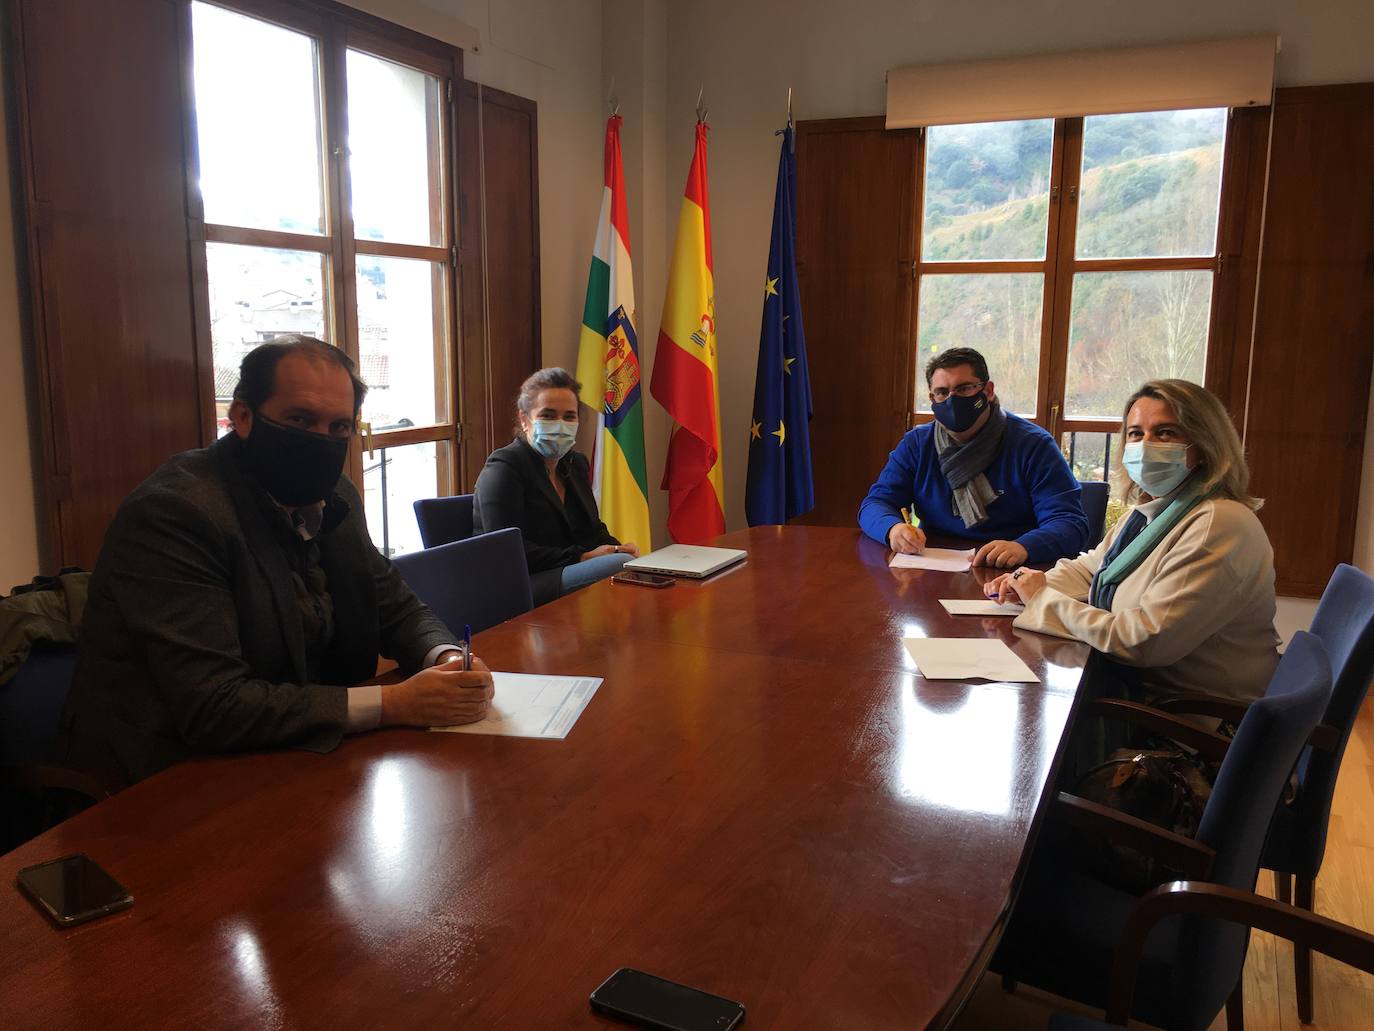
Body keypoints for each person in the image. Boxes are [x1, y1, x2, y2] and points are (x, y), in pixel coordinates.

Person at [62, 336, 494, 790]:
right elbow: (213, 705)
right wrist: (392, 704)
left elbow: (392, 602)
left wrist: (446, 657)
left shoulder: (335, 494)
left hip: (298, 757)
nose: (321, 441)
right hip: (160, 783)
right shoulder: (175, 513)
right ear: (244, 417)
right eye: (300, 419)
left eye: (339, 428)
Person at [985, 378, 1280, 706]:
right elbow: (1092, 568)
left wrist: (1043, 599)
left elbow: (1142, 642)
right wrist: (1022, 584)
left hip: (1186, 727)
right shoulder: (1158, 509)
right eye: (1137, 434)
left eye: (1166, 432)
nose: (1146, 445)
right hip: (1137, 698)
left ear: (1205, 443)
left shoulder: (1217, 525)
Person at [858, 347, 1088, 567]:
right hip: (933, 564)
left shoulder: (1034, 445)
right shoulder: (917, 444)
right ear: (932, 398)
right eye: (941, 393)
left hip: (1012, 571)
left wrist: (1024, 547)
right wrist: (893, 529)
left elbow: (1070, 523)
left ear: (987, 391)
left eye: (964, 388)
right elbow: (876, 504)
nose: (952, 400)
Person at [473, 368, 640, 606]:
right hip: (517, 581)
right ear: (524, 419)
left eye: (569, 416)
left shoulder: (575, 464)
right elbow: (504, 550)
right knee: (616, 566)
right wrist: (581, 557)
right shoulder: (504, 467)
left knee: (632, 563)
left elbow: (592, 530)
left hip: (563, 570)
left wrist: (619, 548)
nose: (560, 424)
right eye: (548, 415)